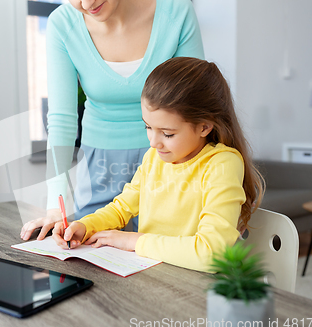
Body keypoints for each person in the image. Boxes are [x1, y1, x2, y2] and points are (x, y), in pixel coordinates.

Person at [51, 57, 265, 272]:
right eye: (148, 127)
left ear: (204, 127)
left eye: (168, 133)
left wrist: (135, 241)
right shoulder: (155, 156)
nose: (153, 142)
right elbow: (121, 208)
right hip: (151, 274)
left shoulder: (222, 163)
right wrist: (85, 226)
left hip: (197, 285)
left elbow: (210, 252)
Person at [21, 0, 204, 241]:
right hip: (100, 166)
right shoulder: (63, 24)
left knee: (165, 256)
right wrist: (56, 206)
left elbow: (196, 104)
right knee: (91, 257)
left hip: (170, 159)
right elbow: (61, 120)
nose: (86, 4)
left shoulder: (176, 11)